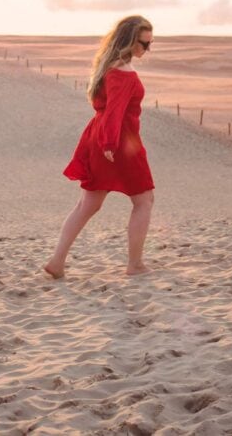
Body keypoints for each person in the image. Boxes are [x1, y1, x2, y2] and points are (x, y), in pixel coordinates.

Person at [44, 15, 155, 278]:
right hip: (120, 143)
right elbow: (115, 111)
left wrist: (105, 141)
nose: (146, 50)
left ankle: (56, 262)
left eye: (150, 44)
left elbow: (108, 109)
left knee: (87, 205)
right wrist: (110, 143)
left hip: (103, 138)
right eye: (143, 43)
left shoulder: (109, 66)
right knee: (144, 201)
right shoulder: (123, 73)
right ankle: (135, 265)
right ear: (129, 40)